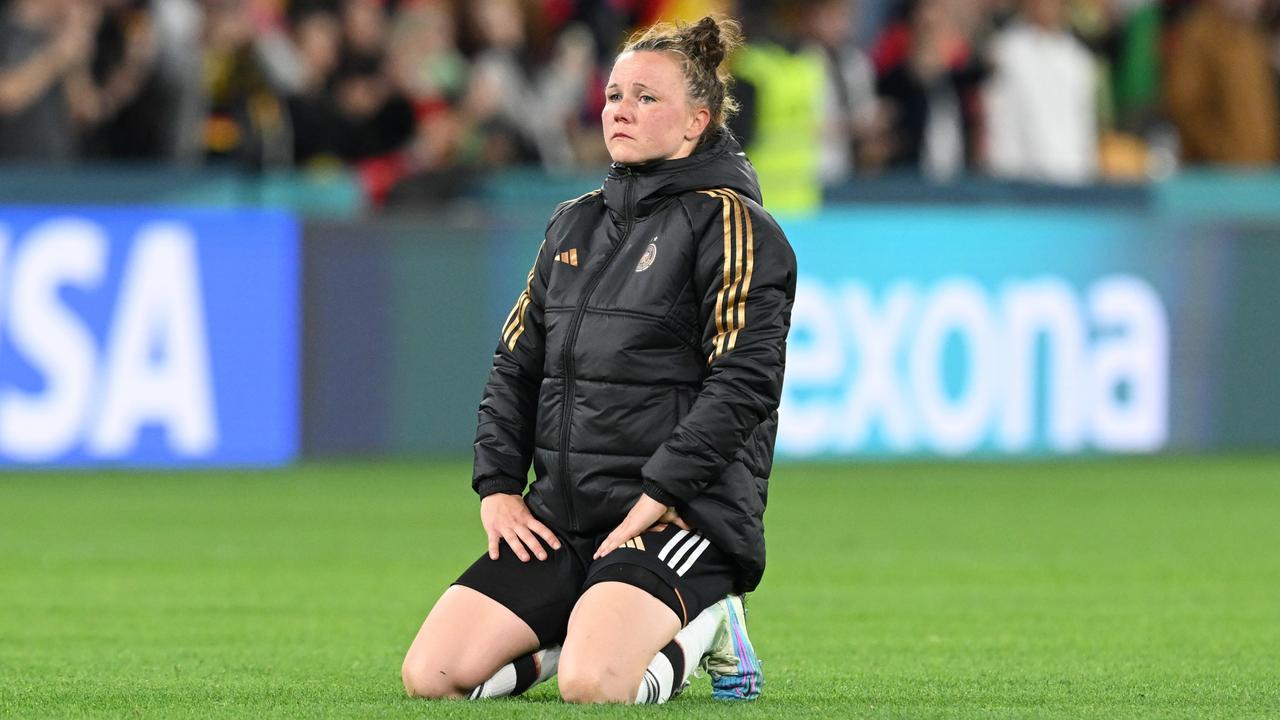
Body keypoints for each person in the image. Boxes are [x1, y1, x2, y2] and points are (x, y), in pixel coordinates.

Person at [401, 15, 796, 705]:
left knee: (594, 686)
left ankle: (709, 619)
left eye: (647, 97)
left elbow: (745, 382)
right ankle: (584, 619)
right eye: (615, 95)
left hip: (678, 519)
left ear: (695, 122)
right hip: (566, 515)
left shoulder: (734, 224)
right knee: (432, 677)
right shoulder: (573, 222)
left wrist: (663, 493)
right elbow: (515, 366)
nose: (622, 110)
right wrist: (497, 486)